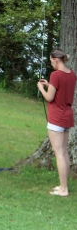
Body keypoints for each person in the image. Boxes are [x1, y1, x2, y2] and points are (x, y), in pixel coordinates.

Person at [37, 48, 76, 197]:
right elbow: (61, 90)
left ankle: (63, 189)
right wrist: (49, 84)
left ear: (56, 60)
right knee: (64, 152)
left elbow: (49, 98)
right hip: (67, 116)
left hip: (56, 118)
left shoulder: (56, 74)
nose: (51, 64)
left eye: (51, 61)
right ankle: (63, 185)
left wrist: (41, 88)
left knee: (59, 153)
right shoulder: (72, 74)